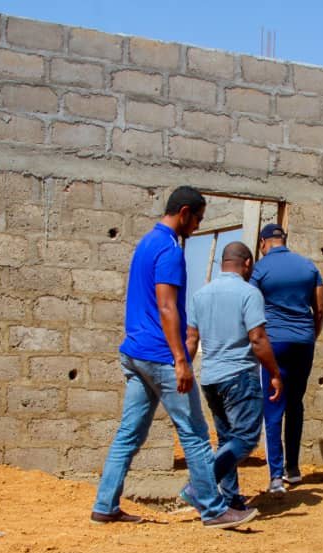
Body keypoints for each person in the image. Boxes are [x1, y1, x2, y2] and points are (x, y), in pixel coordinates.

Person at [90, 187, 257, 530]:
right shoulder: (169, 249)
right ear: (184, 213)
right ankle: (213, 509)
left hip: (135, 353)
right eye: (197, 219)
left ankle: (105, 505)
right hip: (160, 356)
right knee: (195, 433)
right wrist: (180, 360)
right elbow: (167, 307)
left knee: (128, 434)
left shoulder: (146, 243)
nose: (197, 226)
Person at [185, 242, 283, 511]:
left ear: (222, 262)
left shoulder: (200, 295)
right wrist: (274, 373)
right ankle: (200, 486)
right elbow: (258, 338)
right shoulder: (249, 293)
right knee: (247, 438)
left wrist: (182, 369)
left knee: (227, 440)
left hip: (210, 378)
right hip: (239, 376)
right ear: (248, 263)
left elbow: (191, 339)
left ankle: (230, 499)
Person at [250, 223, 323, 493]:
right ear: (284, 240)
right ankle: (293, 469)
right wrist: (310, 336)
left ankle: (275, 476)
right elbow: (320, 310)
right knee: (295, 403)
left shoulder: (260, 269)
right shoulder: (309, 267)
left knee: (273, 405)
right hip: (303, 343)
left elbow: (250, 306)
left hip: (275, 343)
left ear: (263, 243)